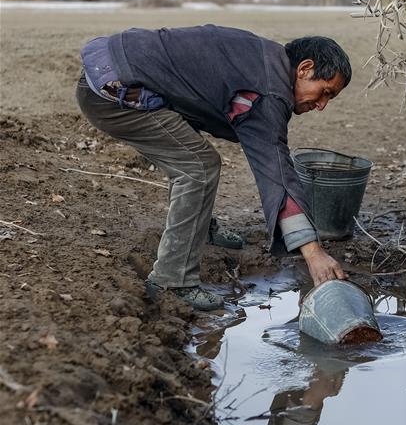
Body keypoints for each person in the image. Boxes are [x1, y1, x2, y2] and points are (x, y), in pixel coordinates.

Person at [76, 25, 350, 310]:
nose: (322, 106)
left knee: (191, 154)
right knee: (198, 166)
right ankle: (173, 280)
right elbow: (276, 171)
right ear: (305, 69)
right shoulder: (269, 92)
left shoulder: (264, 56)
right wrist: (313, 252)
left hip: (111, 65)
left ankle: (200, 226)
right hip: (112, 94)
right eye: (324, 92)